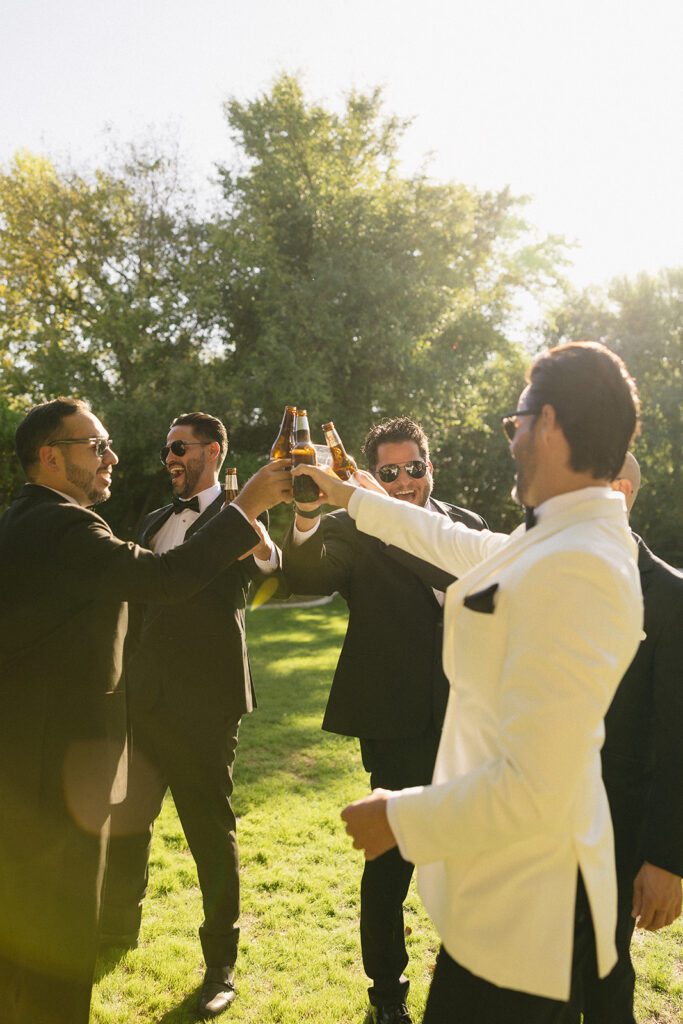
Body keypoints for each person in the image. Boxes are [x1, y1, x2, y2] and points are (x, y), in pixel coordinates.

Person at [294, 341, 644, 1023]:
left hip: (533, 900)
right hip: (504, 881)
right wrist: (352, 499)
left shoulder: (580, 565)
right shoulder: (554, 538)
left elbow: (536, 787)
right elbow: (462, 549)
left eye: (515, 421)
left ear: (546, 425)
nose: (510, 438)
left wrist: (399, 815)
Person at [0, 398, 291, 1024]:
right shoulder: (68, 527)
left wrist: (249, 520)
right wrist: (252, 504)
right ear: (50, 456)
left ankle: (219, 963)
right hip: (63, 751)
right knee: (59, 931)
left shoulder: (27, 521)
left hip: (176, 711)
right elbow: (163, 579)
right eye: (95, 446)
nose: (113, 457)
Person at [282, 416, 486, 1024]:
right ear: (375, 473)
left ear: (431, 467)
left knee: (473, 863)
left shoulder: (468, 527)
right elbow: (305, 575)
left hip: (468, 724)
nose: (402, 483)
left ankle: (474, 985)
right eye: (389, 472)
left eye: (414, 468)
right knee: (389, 865)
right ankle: (387, 999)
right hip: (394, 723)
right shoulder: (353, 524)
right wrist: (304, 515)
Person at [100, 411, 287, 1019]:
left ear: (212, 451)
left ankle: (220, 966)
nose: (170, 458)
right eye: (165, 451)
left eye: (179, 448)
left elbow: (270, 567)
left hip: (206, 703)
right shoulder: (153, 520)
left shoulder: (240, 519)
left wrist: (253, 529)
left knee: (209, 832)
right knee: (128, 820)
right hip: (142, 697)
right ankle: (117, 931)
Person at [581, 452, 683, 1023]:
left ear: (618, 491)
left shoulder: (672, 597)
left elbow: (678, 741)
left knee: (603, 973)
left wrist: (668, 859)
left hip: (617, 831)